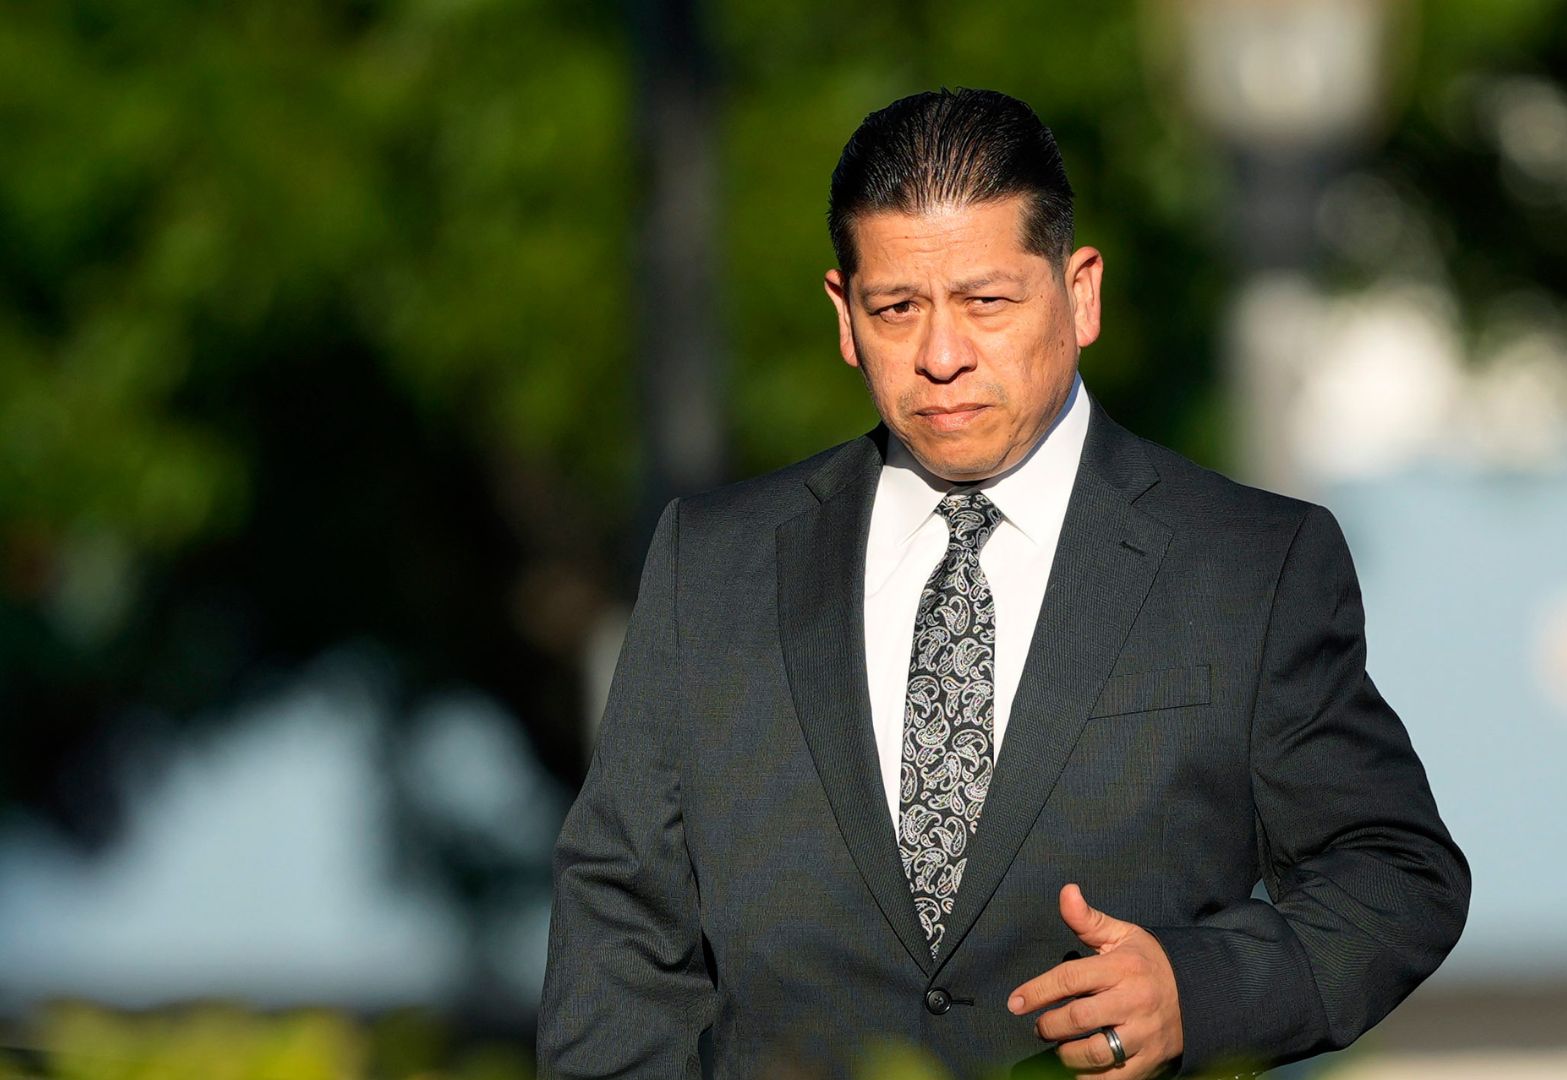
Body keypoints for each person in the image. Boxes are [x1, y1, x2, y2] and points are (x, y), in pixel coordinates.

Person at [537, 86, 1470, 1080]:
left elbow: (1395, 875)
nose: (942, 355)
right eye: (898, 309)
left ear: (1081, 293)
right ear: (845, 316)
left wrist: (1197, 991)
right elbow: (622, 929)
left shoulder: (1246, 567)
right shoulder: (715, 567)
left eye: (987, 302)